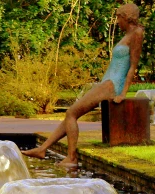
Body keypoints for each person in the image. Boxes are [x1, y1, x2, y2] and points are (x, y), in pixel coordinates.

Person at [22, 3, 144, 169]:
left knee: (71, 113)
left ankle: (71, 157)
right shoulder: (127, 34)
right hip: (107, 81)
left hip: (113, 85)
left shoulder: (137, 33)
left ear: (127, 17)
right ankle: (42, 149)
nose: (117, 22)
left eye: (118, 17)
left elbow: (132, 67)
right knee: (70, 115)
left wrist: (123, 93)